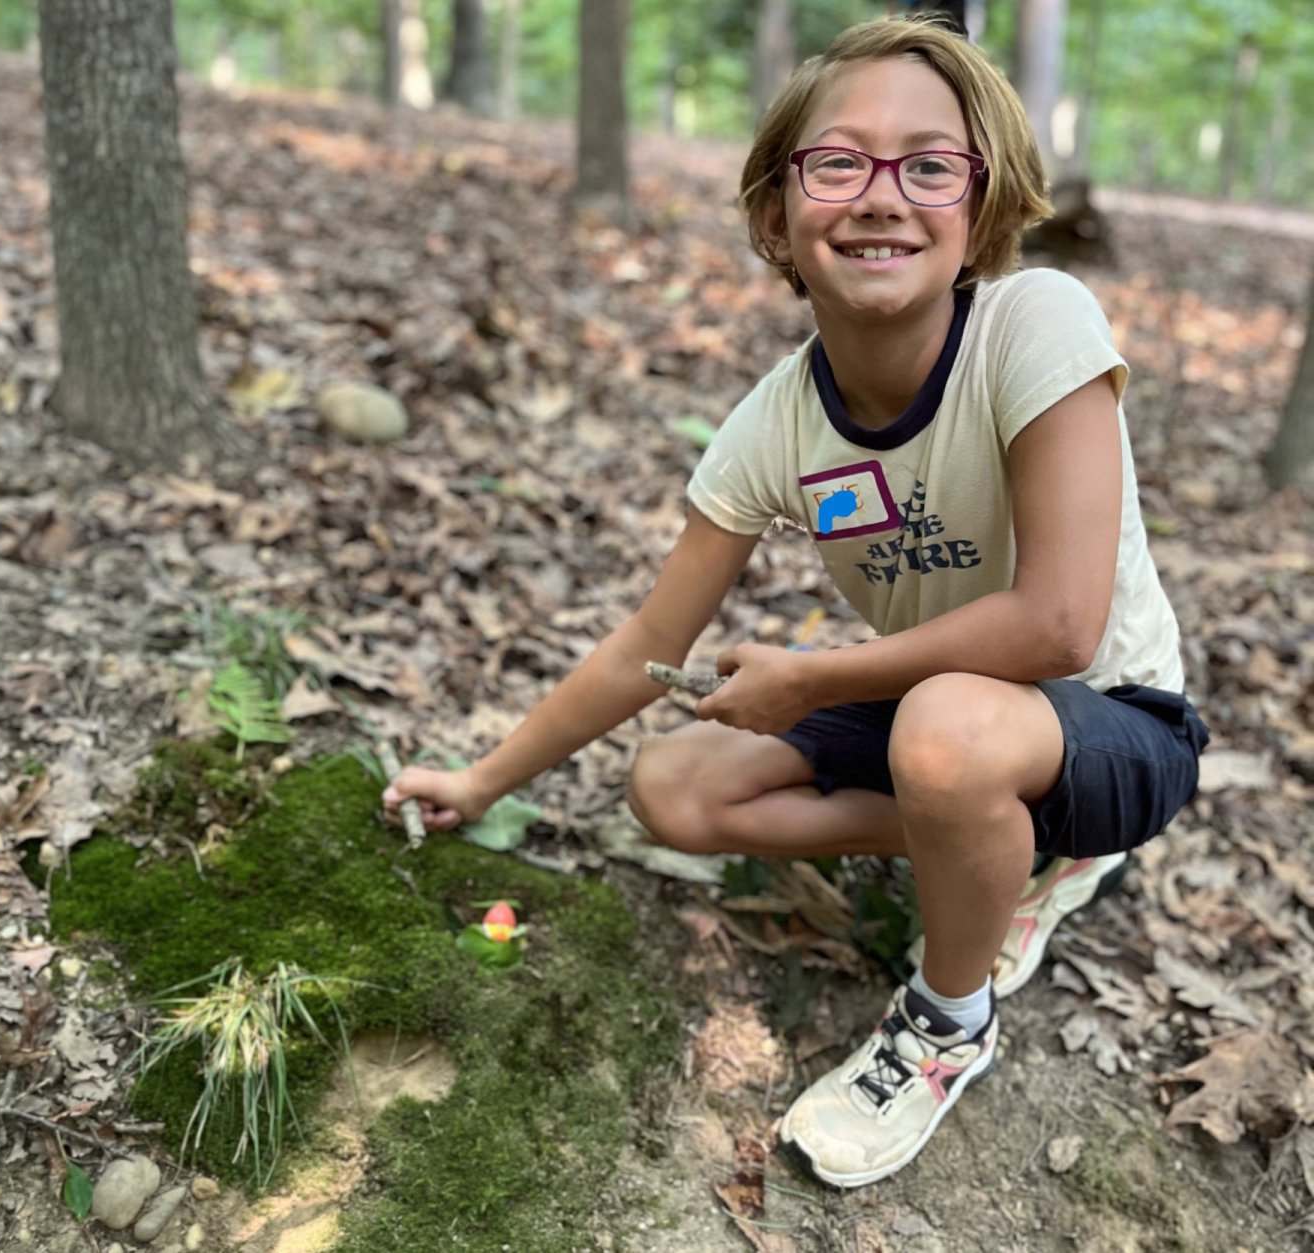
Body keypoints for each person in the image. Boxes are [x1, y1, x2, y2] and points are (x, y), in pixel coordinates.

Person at [383, 15, 1208, 1188]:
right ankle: (1009, 851)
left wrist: (810, 677)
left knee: (946, 732)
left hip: (1109, 715)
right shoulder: (780, 420)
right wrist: (479, 778)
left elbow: (1059, 625)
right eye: (838, 163)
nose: (881, 196)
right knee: (671, 784)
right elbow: (647, 645)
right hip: (948, 714)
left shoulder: (1037, 322)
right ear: (778, 215)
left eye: (929, 166)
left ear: (980, 209)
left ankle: (945, 1022)